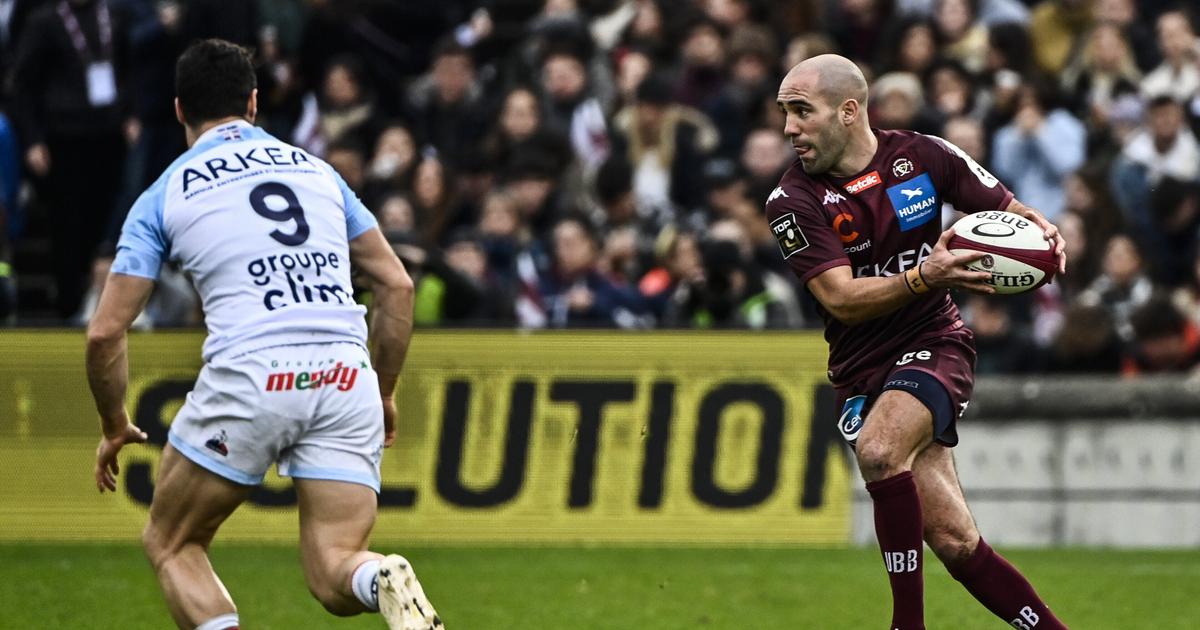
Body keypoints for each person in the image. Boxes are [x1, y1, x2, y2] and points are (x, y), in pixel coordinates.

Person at [85, 40, 442, 630]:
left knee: (173, 542)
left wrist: (113, 422)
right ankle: (379, 578)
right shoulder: (319, 172)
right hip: (345, 373)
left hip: (254, 372)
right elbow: (396, 286)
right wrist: (382, 391)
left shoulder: (164, 194)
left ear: (178, 111)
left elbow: (105, 334)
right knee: (335, 570)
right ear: (253, 102)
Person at [767, 54, 1068, 629]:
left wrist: (1042, 233)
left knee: (881, 452)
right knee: (957, 543)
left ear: (849, 111)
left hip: (936, 341)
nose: (789, 129)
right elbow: (840, 298)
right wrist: (925, 275)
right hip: (860, 369)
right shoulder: (791, 202)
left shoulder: (925, 156)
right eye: (785, 113)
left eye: (802, 112)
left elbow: (1010, 212)